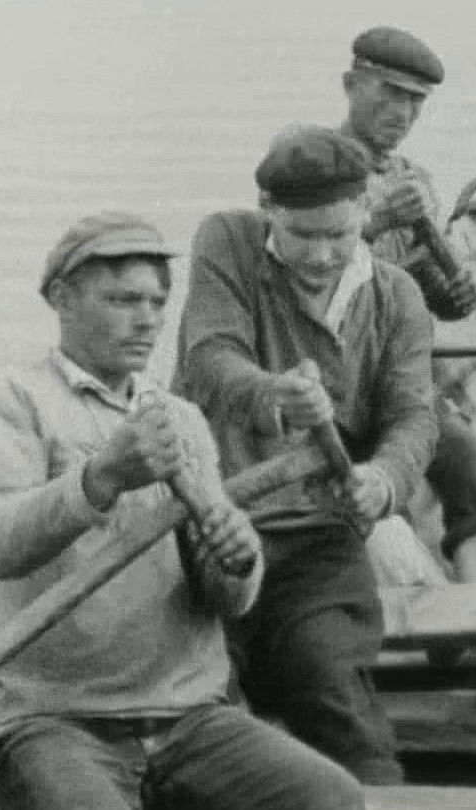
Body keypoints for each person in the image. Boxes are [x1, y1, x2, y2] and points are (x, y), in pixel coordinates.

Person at [0, 212, 363, 809]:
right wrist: (100, 478)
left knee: (334, 798)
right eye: (123, 300)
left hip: (188, 716)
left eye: (157, 302)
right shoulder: (9, 402)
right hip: (51, 720)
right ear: (62, 299)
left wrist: (238, 560)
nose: (147, 319)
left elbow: (228, 600)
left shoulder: (181, 419)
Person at [175, 126, 441, 784]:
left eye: (340, 235)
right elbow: (210, 357)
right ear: (268, 208)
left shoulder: (397, 297)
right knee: (198, 699)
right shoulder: (226, 242)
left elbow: (413, 416)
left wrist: (384, 479)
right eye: (303, 236)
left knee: (331, 686)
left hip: (319, 538)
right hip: (209, 526)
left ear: (364, 213)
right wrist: (272, 395)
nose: (323, 256)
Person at [336, 25, 476, 583]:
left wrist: (460, 291)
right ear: (351, 85)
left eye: (415, 100)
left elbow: (436, 300)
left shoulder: (413, 179)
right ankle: (408, 583)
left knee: (464, 457)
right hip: (327, 381)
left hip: (394, 381)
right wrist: (374, 223)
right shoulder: (307, 169)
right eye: (389, 93)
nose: (402, 113)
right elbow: (289, 275)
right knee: (355, 491)